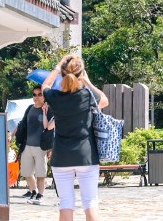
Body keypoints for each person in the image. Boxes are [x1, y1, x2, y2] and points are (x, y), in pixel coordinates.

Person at [41, 55, 109, 221]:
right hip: (86, 155)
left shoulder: (55, 97)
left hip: (61, 157)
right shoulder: (86, 96)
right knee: (90, 202)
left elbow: (45, 86)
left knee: (65, 203)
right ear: (81, 74)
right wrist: (87, 81)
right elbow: (105, 100)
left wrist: (58, 66)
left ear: (62, 75)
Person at [10, 85, 55, 204]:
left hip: (41, 146)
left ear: (44, 96)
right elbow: (21, 123)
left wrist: (51, 148)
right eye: (34, 94)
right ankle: (33, 192)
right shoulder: (30, 108)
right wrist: (12, 135)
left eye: (39, 94)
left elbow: (52, 129)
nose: (36, 97)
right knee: (26, 172)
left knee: (41, 173)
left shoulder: (48, 110)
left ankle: (40, 195)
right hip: (27, 146)